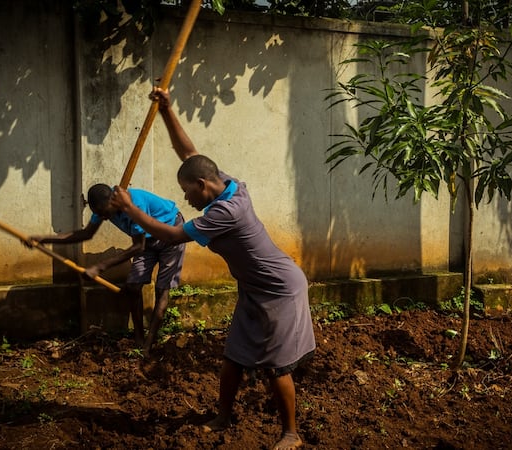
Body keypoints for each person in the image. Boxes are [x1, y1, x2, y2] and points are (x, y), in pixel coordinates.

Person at [109, 87, 315, 450]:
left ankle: (291, 434)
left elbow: (171, 236)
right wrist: (168, 110)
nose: (185, 199)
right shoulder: (229, 185)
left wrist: (130, 208)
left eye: (188, 192)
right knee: (234, 357)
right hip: (254, 287)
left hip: (279, 289)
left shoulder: (225, 212)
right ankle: (222, 417)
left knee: (275, 366)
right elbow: (190, 154)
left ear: (204, 186)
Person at [26, 184, 185, 354]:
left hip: (171, 231)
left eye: (104, 213)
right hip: (147, 240)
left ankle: (149, 343)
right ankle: (139, 338)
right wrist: (45, 239)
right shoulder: (103, 209)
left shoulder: (134, 206)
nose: (103, 217)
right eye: (99, 214)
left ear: (112, 201)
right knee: (132, 286)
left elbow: (138, 247)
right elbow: (86, 234)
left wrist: (100, 266)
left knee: (162, 289)